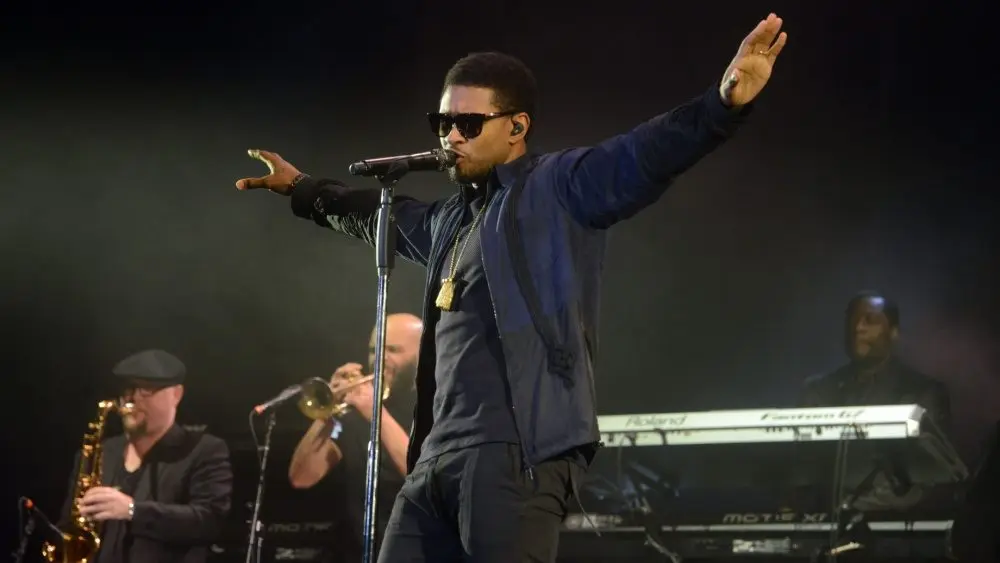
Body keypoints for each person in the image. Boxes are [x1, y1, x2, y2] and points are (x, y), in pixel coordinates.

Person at [235, 14, 788, 562]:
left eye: (468, 124)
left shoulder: (557, 189)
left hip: (513, 453)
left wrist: (722, 105)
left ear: (517, 127)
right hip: (434, 459)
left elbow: (643, 154)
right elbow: (380, 217)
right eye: (443, 122)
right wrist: (303, 190)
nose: (451, 136)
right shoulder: (451, 220)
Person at [56, 349, 233, 563]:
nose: (130, 399)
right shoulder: (102, 452)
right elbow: (69, 525)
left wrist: (133, 510)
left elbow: (209, 521)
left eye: (145, 389)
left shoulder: (204, 450)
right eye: (127, 389)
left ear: (176, 394)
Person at [288, 313, 421, 559]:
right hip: (355, 552)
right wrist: (327, 411)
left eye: (392, 350)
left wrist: (376, 414)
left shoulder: (435, 408)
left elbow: (420, 475)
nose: (379, 359)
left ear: (421, 355)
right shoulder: (357, 412)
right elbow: (302, 477)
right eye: (374, 350)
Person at [800, 291, 951, 431]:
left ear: (894, 333)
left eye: (870, 320)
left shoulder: (923, 392)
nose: (858, 328)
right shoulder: (818, 390)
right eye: (853, 320)